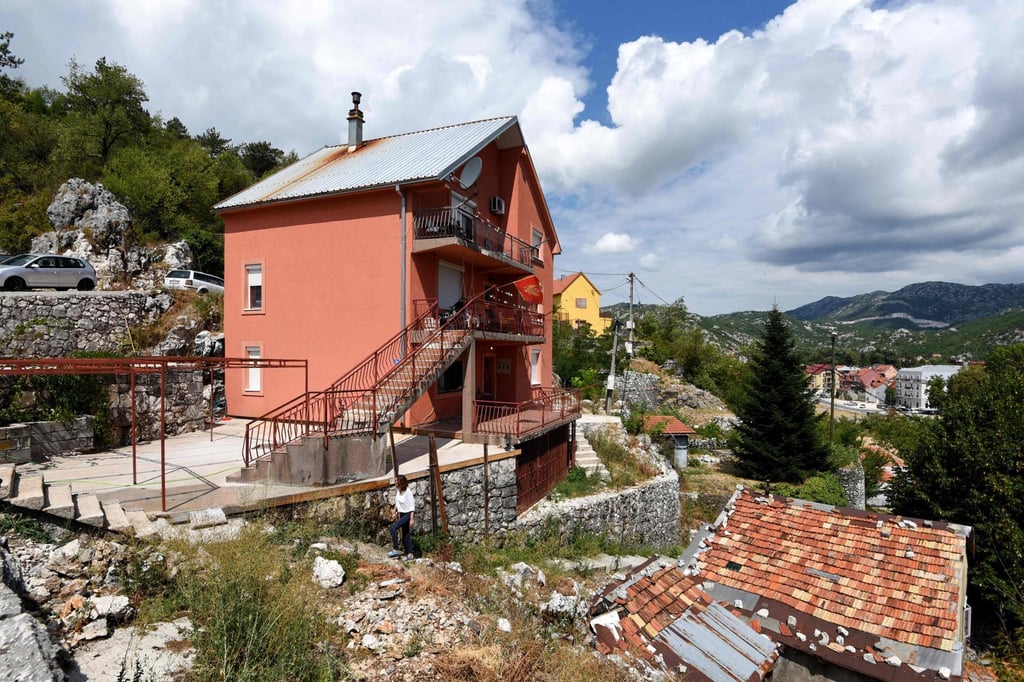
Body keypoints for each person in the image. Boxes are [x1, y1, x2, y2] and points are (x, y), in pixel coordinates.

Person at [387, 475, 415, 560]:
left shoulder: (408, 492)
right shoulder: (399, 491)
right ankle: (410, 554)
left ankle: (396, 550)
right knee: (405, 534)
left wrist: (411, 519)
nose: (395, 482)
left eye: (396, 481)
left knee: (393, 528)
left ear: (400, 482)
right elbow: (397, 501)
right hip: (402, 514)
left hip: (407, 514)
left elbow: (412, 506)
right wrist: (395, 510)